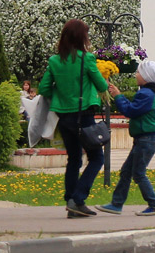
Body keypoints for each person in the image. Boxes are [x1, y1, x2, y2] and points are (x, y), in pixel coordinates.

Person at [38, 19, 109, 218]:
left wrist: (62, 92)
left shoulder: (54, 60)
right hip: (83, 115)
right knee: (97, 158)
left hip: (63, 117)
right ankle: (78, 199)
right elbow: (102, 86)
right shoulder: (86, 59)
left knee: (74, 159)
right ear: (81, 38)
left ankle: (70, 200)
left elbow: (44, 88)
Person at [96, 60, 155, 216]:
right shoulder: (148, 92)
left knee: (138, 173)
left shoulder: (145, 94)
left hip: (147, 139)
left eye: (139, 72)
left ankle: (154, 205)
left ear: (146, 77)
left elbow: (130, 111)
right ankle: (116, 204)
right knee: (126, 171)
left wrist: (119, 97)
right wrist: (117, 94)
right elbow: (134, 108)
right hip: (144, 139)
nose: (136, 75)